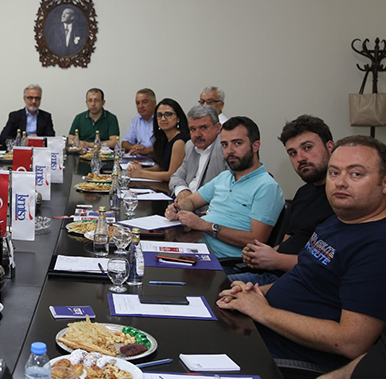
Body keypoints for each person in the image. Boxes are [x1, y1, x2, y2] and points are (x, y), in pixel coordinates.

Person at [217, 136, 386, 369]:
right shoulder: (336, 222)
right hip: (262, 327)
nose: (340, 182)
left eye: (356, 174)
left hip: (289, 356)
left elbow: (350, 342)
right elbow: (301, 279)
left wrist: (262, 311)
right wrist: (253, 292)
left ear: (384, 183)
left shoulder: (377, 246)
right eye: (334, 173)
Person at [231, 115, 336, 285]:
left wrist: (275, 260)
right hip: (273, 274)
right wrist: (261, 254)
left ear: (330, 147)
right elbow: (289, 240)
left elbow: (327, 264)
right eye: (293, 153)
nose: (300, 158)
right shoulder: (303, 193)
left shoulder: (341, 201)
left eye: (307, 148)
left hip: (299, 283)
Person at [164, 116, 285, 258]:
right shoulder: (224, 177)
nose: (229, 151)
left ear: (255, 146)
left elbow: (256, 240)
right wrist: (178, 208)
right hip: (197, 247)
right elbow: (191, 201)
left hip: (223, 262)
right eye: (224, 145)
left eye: (237, 143)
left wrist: (206, 226)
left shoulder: (267, 186)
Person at [169, 105, 228, 204]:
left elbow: (228, 189)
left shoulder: (225, 148)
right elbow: (176, 177)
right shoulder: (190, 146)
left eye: (203, 128)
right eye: (193, 129)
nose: (197, 134)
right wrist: (183, 191)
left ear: (218, 128)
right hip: (186, 207)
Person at [127, 98, 189, 183]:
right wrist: (140, 169)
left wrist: (141, 173)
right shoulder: (164, 138)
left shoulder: (179, 142)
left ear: (178, 118)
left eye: (168, 114)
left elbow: (172, 175)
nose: (163, 118)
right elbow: (163, 167)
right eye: (159, 115)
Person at [121, 88, 156, 156]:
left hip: (158, 159)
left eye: (144, 102)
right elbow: (124, 143)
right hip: (141, 158)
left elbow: (165, 146)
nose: (140, 106)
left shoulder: (161, 119)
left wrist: (146, 151)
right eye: (137, 103)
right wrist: (134, 147)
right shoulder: (136, 120)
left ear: (154, 103)